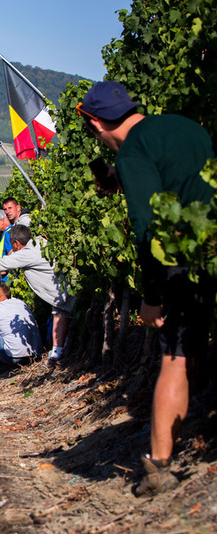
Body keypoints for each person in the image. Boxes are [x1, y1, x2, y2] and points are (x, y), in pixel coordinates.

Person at [77, 81, 216, 496]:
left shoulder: (134, 151)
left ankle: (158, 467)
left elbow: (148, 230)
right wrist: (121, 177)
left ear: (97, 121)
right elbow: (182, 177)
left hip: (183, 262)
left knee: (174, 358)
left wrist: (152, 296)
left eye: (92, 132)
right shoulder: (186, 127)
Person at [0, 224, 75, 365]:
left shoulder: (26, 254)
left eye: (12, 245)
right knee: (59, 313)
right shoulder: (41, 243)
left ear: (17, 244)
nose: (11, 249)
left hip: (64, 294)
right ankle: (58, 351)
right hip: (63, 294)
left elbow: (0, 264)